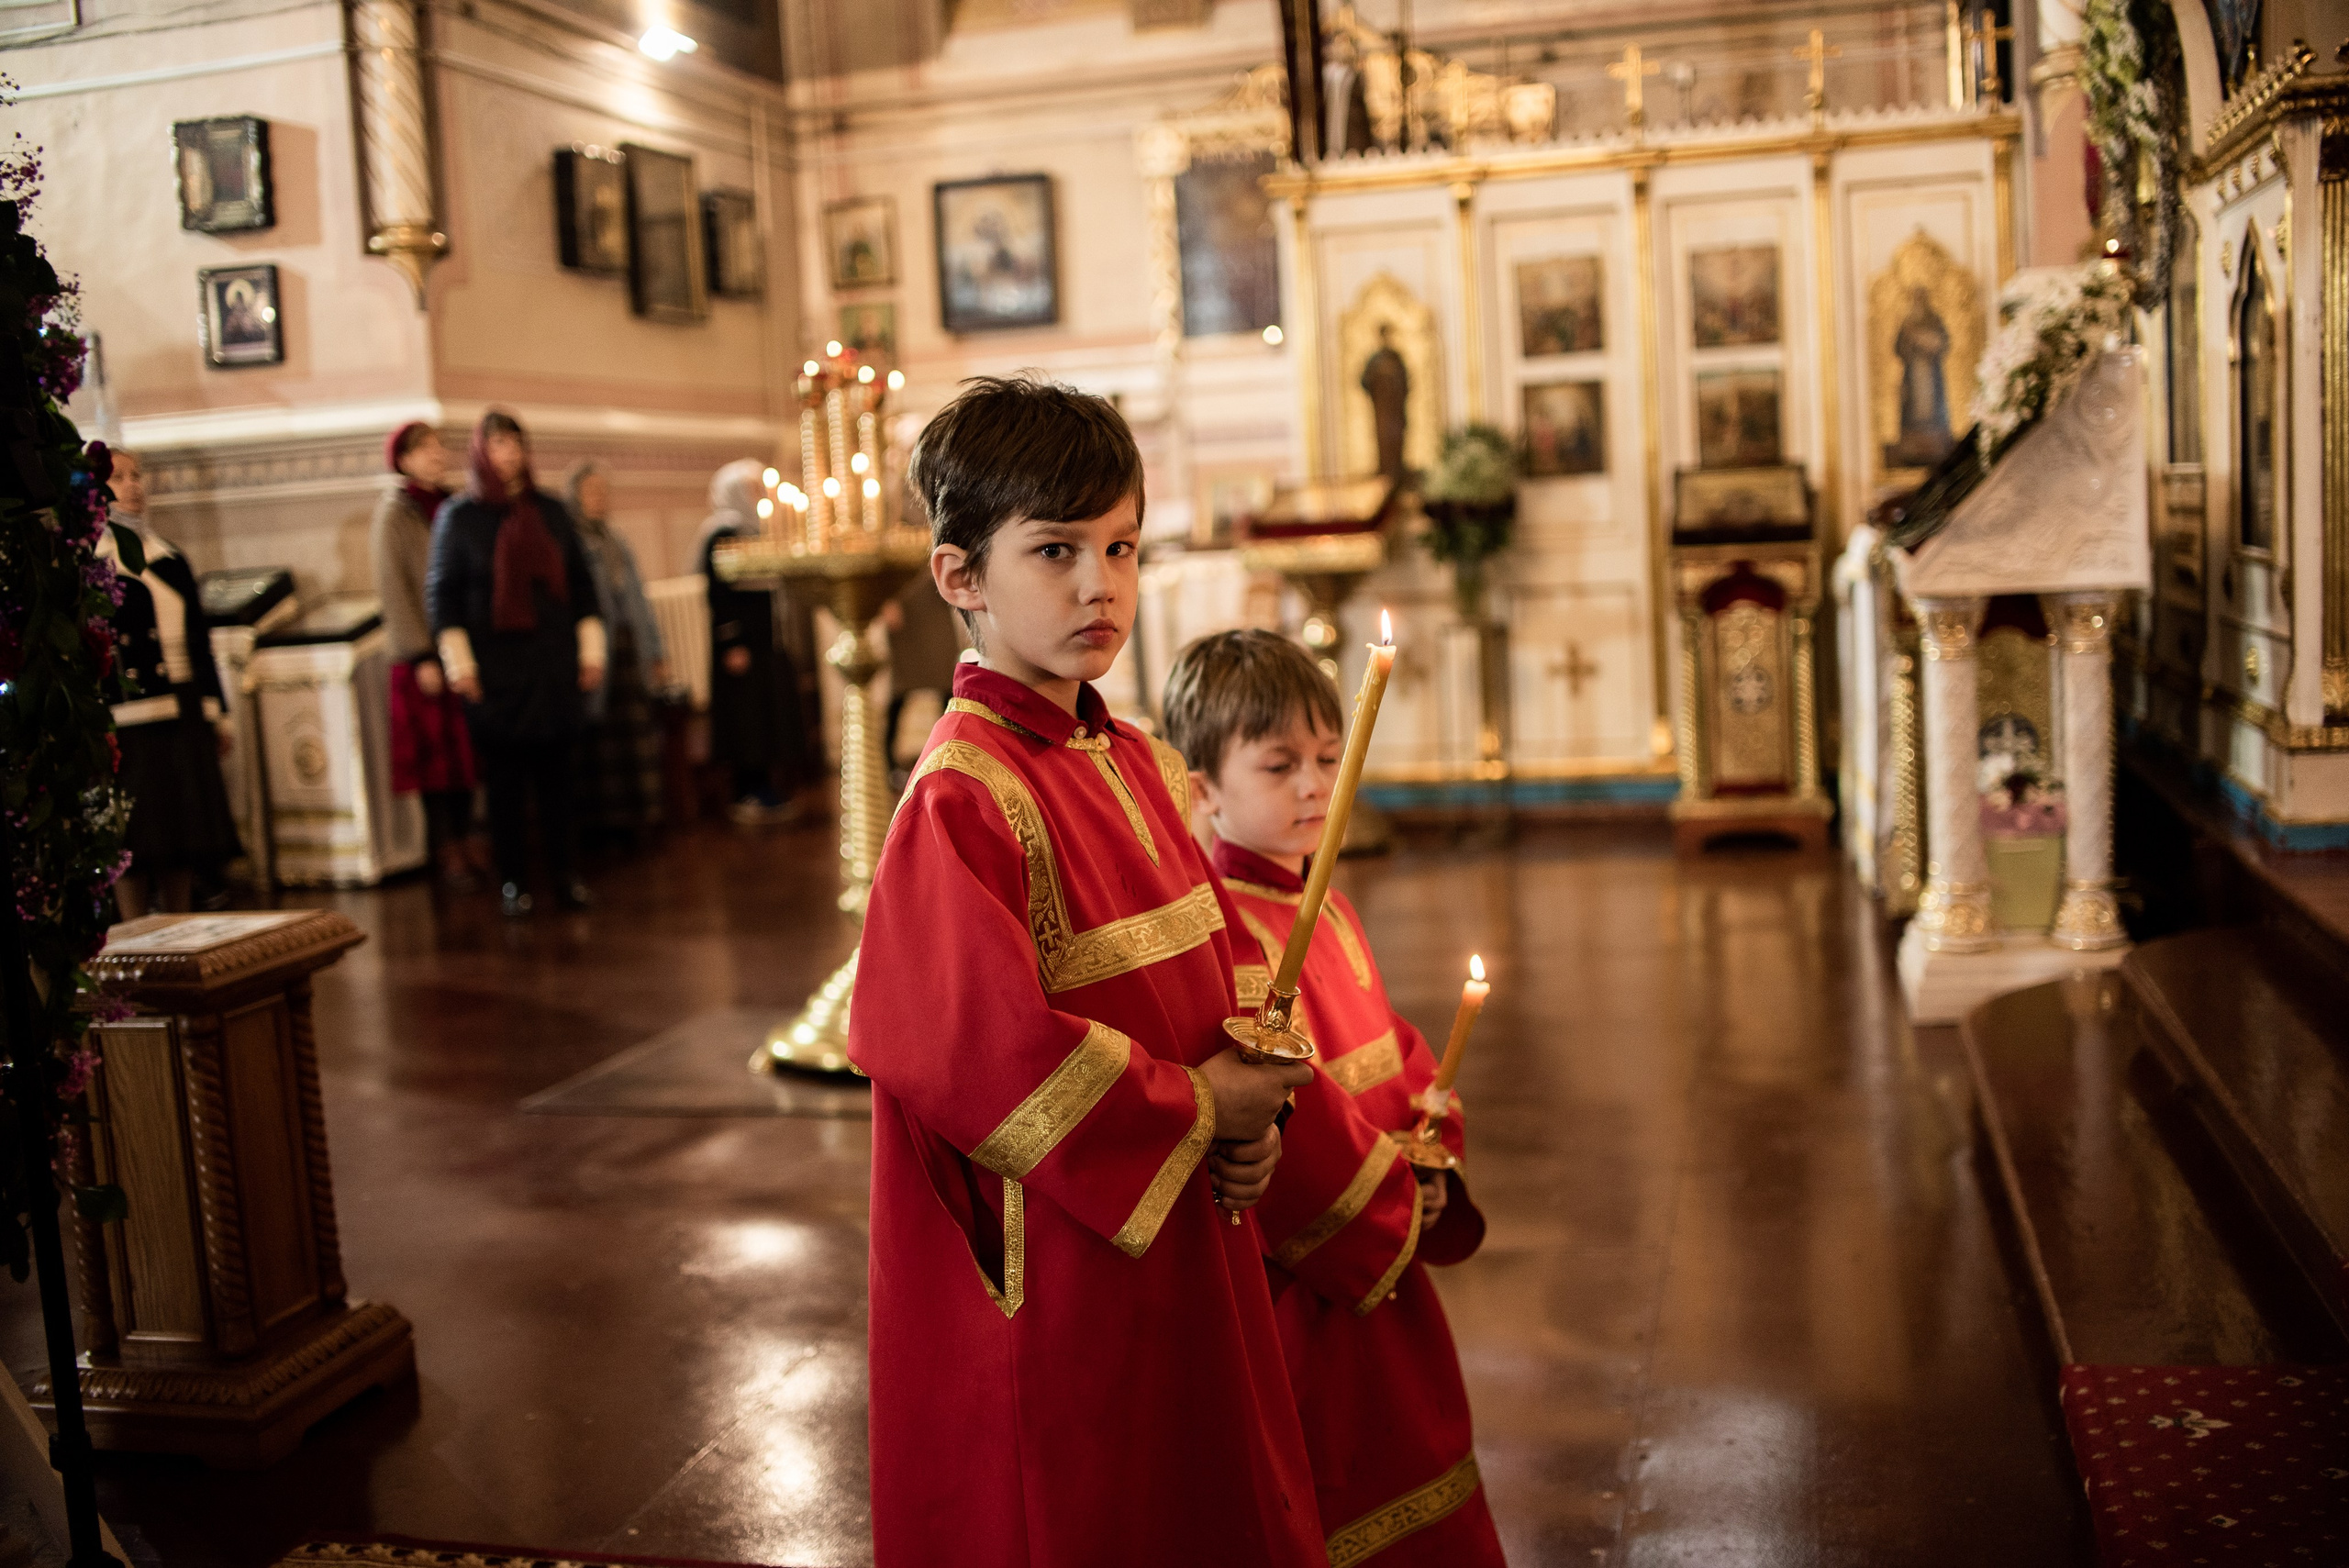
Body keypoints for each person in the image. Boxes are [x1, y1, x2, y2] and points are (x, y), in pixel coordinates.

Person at [848, 376, 1326, 1568]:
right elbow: (990, 1064)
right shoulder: (963, 799)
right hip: (1072, 1270)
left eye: (1121, 547)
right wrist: (1204, 1106)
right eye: (1055, 550)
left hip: (1189, 1226)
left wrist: (1256, 1118)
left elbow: (1219, 975)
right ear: (959, 575)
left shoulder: (1144, 763)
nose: (1098, 585)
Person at [1163, 628, 1506, 1568]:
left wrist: (1431, 1148)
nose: (1318, 784)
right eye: (1280, 766)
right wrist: (1394, 1198)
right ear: (1203, 790)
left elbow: (1391, 1052)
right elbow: (1292, 1123)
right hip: (1312, 1298)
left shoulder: (1329, 906)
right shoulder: (1223, 935)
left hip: (1384, 1267)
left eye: (1328, 756)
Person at [426, 410, 603, 917]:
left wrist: (591, 652)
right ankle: (513, 883)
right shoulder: (459, 517)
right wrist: (460, 665)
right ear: (482, 452)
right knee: (504, 784)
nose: (508, 454)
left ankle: (565, 877)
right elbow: (443, 597)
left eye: (515, 443)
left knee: (559, 780)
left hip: (552, 663)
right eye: (498, 444)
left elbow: (582, 586)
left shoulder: (550, 511)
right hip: (494, 671)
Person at [97, 448, 242, 918]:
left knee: (183, 838)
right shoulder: (91, 563)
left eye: (137, 475)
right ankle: (134, 936)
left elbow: (199, 641)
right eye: (118, 478)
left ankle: (181, 929)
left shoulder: (170, 557)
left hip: (183, 709)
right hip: (128, 719)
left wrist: (217, 712)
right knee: (136, 841)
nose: (133, 486)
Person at [372, 421, 483, 890]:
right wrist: (421, 654)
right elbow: (394, 588)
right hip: (425, 656)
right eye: (424, 448)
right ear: (403, 460)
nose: (437, 454)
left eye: (439, 446)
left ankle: (470, 839)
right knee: (435, 761)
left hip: (463, 649)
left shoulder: (454, 505)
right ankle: (446, 849)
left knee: (467, 757)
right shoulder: (396, 514)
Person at [565, 460, 671, 843]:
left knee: (636, 737)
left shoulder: (615, 540)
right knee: (602, 741)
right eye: (590, 491)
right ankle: (606, 826)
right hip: (598, 651)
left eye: (603, 491)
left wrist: (655, 650)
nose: (598, 499)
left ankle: (641, 817)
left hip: (628, 647)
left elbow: (638, 598)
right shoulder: (573, 543)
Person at [698, 460, 808, 825]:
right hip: (741, 645)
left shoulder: (761, 529)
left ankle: (767, 788)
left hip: (765, 642)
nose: (759, 495)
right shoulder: (722, 532)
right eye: (752, 488)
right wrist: (732, 642)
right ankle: (745, 791)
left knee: (765, 717)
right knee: (745, 719)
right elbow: (718, 594)